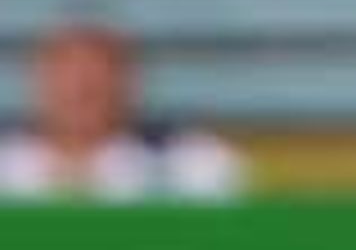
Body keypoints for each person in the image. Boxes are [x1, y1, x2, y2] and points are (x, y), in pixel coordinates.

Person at [0, 21, 246, 201]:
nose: (80, 92)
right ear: (38, 83)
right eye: (66, 79)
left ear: (130, 83)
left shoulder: (191, 163)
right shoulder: (8, 163)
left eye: (95, 82)